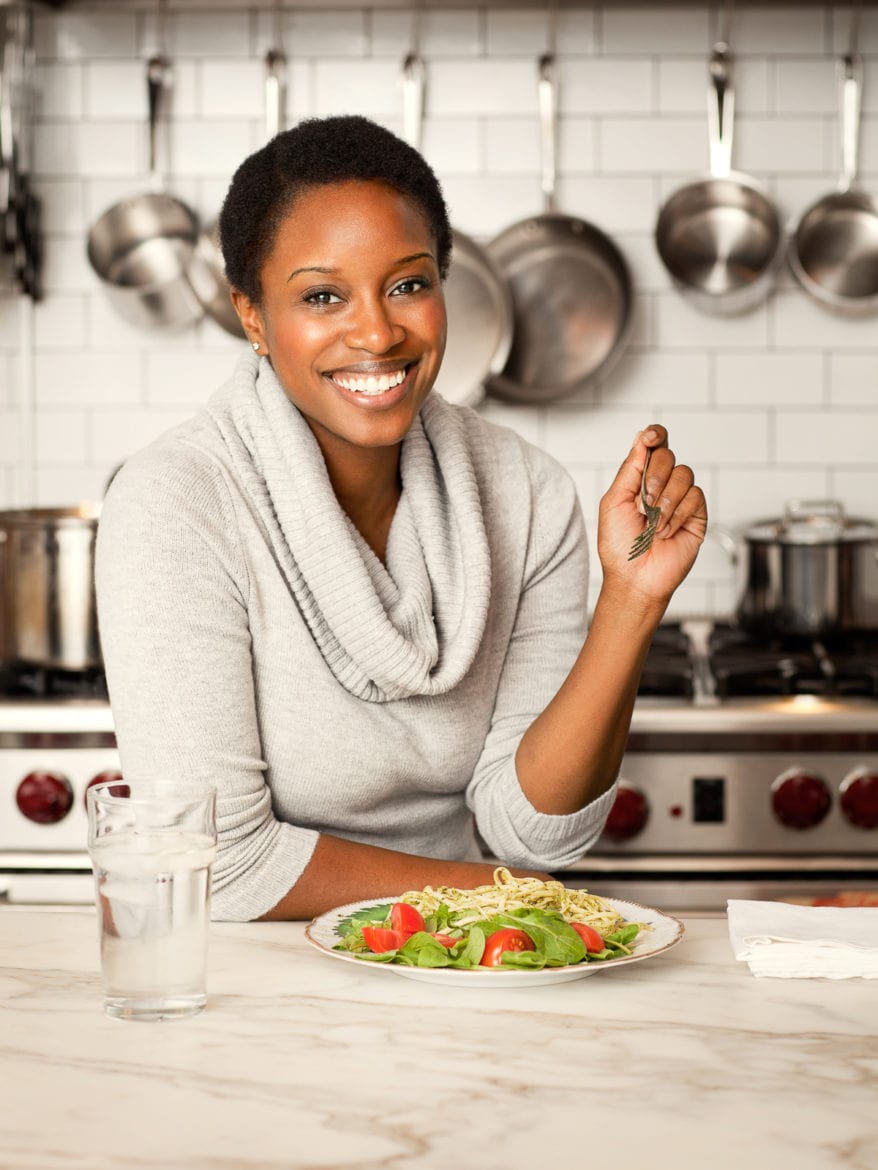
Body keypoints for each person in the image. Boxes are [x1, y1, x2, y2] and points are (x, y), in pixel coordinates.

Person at [95, 115, 707, 923]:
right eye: (322, 296)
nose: (379, 333)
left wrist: (631, 603)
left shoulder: (526, 492)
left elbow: (534, 835)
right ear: (252, 317)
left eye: (408, 284)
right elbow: (223, 862)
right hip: (260, 983)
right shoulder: (176, 501)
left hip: (458, 962)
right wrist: (508, 898)